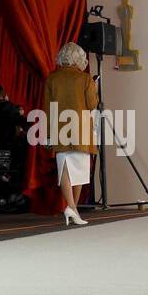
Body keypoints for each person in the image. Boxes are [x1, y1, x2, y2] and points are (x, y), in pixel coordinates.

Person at [42, 42, 100, 226]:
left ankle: (71, 207)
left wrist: (48, 133)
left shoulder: (52, 78)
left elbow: (47, 107)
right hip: (81, 128)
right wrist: (95, 89)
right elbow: (92, 104)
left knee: (64, 168)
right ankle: (73, 209)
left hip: (59, 127)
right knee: (81, 171)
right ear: (79, 58)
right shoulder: (85, 79)